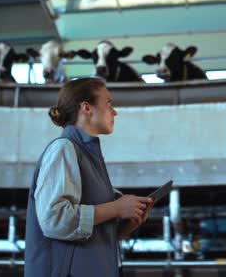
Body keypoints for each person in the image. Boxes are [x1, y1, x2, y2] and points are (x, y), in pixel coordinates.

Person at [25, 77, 152, 277]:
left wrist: (127, 221)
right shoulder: (63, 149)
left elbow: (92, 231)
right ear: (86, 108)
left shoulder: (86, 154)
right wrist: (116, 208)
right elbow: (54, 219)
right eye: (108, 103)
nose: (114, 111)